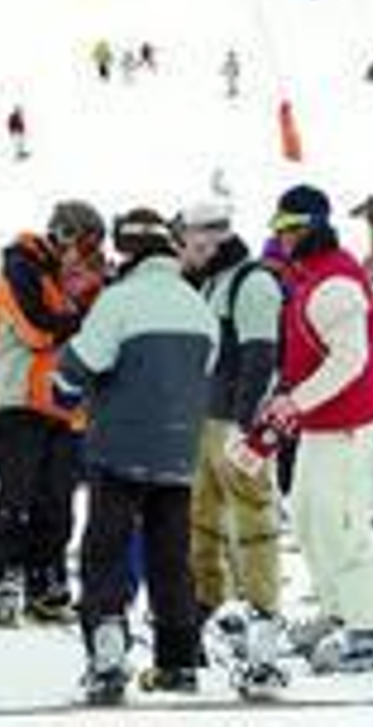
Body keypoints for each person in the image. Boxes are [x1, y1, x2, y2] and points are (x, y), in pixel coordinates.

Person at [60, 208, 217, 702]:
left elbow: (82, 364)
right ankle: (177, 660)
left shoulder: (119, 300)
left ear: (126, 254)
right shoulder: (197, 304)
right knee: (170, 557)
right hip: (179, 451)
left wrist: (65, 389)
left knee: (105, 552)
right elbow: (210, 365)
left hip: (120, 448)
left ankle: (107, 652)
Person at [261, 185, 373, 672]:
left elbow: (351, 358)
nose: (284, 239)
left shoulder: (336, 281)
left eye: (293, 229)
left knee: (341, 523)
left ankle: (370, 626)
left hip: (349, 426)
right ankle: (338, 608)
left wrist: (294, 401)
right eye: (279, 230)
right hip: (323, 422)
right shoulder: (310, 275)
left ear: (315, 226)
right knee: (307, 516)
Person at [0, 200, 106, 626]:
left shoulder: (63, 278)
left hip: (60, 403)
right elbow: (37, 329)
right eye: (83, 245)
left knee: (57, 501)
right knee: (18, 496)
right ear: (64, 236)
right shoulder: (22, 267)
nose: (84, 257)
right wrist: (84, 317)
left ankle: (45, 580)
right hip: (16, 399)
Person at [173, 202, 286, 690]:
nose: (184, 248)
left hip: (235, 425)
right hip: (204, 421)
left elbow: (261, 357)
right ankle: (210, 608)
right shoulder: (212, 281)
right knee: (204, 520)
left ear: (211, 238)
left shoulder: (251, 283)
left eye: (189, 238)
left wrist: (244, 426)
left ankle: (262, 614)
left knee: (253, 522)